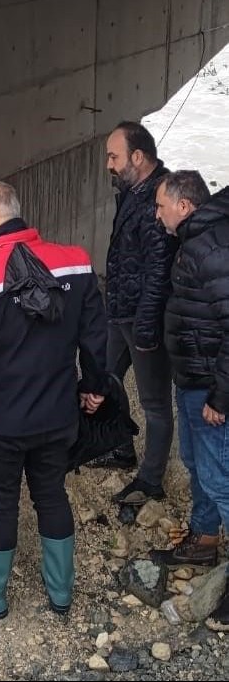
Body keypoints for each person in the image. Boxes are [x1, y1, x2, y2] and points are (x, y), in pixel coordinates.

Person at [0, 181, 109, 619]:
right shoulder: (76, 263)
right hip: (58, 416)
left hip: (2, 425)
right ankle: (60, 594)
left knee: (0, 504)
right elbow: (96, 336)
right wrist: (95, 386)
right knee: (51, 495)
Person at [153, 170, 229, 631]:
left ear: (185, 206)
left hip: (210, 387)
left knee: (221, 478)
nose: (156, 213)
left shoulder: (210, 249)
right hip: (193, 379)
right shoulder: (193, 240)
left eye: (161, 205)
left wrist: (221, 395)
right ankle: (203, 538)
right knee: (198, 464)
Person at [95, 123, 179, 512]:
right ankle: (122, 447)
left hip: (144, 321)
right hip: (120, 312)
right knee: (107, 378)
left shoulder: (158, 199)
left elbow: (158, 275)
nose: (109, 165)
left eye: (114, 157)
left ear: (138, 158)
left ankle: (151, 479)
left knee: (155, 402)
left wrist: (146, 332)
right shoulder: (132, 192)